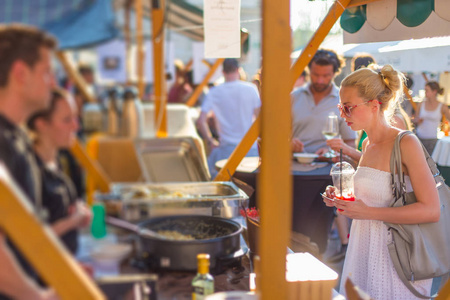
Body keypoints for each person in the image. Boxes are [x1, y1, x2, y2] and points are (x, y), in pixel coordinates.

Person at [323, 65, 440, 299]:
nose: (343, 115)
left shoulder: (405, 143)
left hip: (395, 259)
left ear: (374, 104)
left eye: (348, 108)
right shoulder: (367, 145)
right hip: (364, 248)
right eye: (340, 107)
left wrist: (368, 212)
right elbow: (373, 197)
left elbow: (431, 210)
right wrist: (344, 197)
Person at [0, 24, 58, 299]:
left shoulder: (17, 135)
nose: (53, 83)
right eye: (47, 72)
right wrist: (37, 296)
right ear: (21, 73)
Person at [27, 89, 92, 255]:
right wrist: (72, 221)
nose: (76, 126)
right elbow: (29, 238)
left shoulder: (56, 160)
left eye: (76, 117)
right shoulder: (30, 170)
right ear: (42, 125)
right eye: (67, 120)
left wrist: (77, 210)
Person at [197, 58, 261, 178]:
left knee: (226, 189)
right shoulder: (251, 89)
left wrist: (211, 141)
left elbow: (201, 121)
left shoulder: (215, 92)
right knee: (250, 189)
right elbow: (260, 120)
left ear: (223, 72)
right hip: (250, 150)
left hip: (226, 151)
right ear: (238, 70)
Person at [291, 49, 356, 154]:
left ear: (334, 74)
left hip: (327, 167)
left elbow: (350, 143)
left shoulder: (344, 101)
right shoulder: (293, 98)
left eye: (326, 76)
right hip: (294, 167)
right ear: (309, 71)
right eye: (315, 74)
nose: (320, 80)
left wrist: (333, 152)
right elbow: (276, 134)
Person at [413, 81, 450, 154]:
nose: (425, 92)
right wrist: (417, 120)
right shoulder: (421, 104)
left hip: (433, 139)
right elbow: (414, 119)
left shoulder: (442, 106)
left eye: (427, 90)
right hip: (419, 138)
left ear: (434, 92)